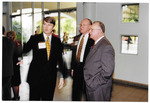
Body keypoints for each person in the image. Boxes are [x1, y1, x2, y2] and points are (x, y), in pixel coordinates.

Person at [23, 16, 66, 100]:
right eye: (44, 24)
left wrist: (62, 76)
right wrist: (19, 58)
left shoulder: (57, 41)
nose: (46, 27)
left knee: (48, 99)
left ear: (53, 27)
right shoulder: (34, 38)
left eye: (49, 25)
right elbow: (24, 50)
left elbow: (60, 59)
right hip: (35, 77)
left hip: (50, 78)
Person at [83, 21, 115, 101]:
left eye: (92, 30)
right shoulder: (97, 43)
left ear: (100, 31)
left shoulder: (106, 46)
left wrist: (93, 83)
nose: (89, 31)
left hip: (98, 88)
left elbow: (108, 71)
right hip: (93, 86)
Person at [71, 18, 94, 101]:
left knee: (87, 92)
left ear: (90, 27)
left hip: (87, 70)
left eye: (84, 25)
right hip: (77, 68)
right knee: (75, 92)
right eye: (80, 25)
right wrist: (72, 68)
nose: (81, 26)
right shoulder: (76, 38)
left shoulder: (92, 40)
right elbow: (73, 55)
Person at [2, 27, 20, 100]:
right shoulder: (13, 43)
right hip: (9, 69)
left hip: (9, 68)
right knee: (7, 90)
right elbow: (18, 54)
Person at [6, 31, 22, 100]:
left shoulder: (5, 44)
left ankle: (12, 97)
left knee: (11, 82)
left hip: (8, 64)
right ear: (14, 36)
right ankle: (16, 97)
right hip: (16, 64)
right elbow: (19, 54)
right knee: (15, 82)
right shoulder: (17, 44)